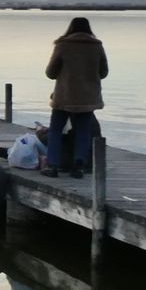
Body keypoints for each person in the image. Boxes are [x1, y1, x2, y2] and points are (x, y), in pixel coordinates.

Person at [42, 17, 108, 179]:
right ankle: (79, 165)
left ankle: (52, 166)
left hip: (64, 97)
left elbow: (50, 73)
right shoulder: (97, 46)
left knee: (56, 130)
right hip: (86, 99)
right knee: (83, 132)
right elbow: (104, 72)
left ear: (70, 28)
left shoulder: (62, 45)